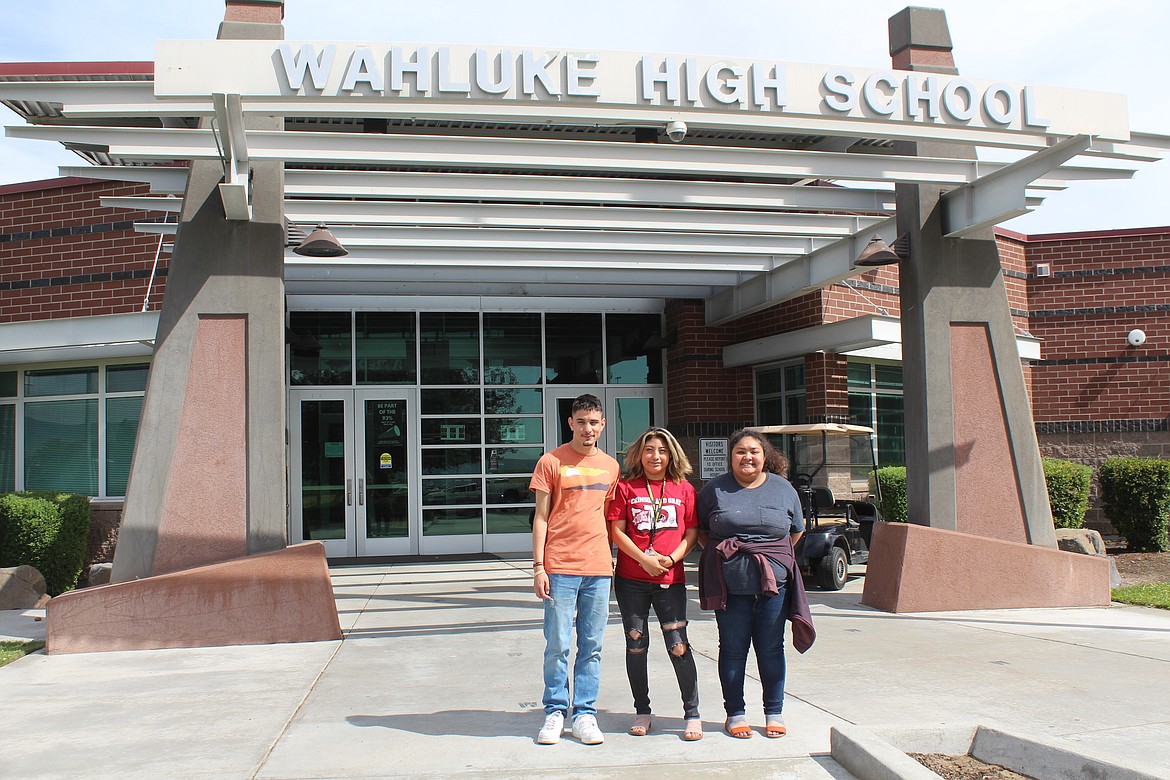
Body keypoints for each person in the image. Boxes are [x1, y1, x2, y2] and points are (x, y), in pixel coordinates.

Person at [696, 428, 815, 740]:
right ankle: (734, 713)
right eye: (740, 452)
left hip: (774, 587)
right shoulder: (714, 490)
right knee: (733, 650)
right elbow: (703, 532)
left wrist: (770, 558)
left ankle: (773, 711)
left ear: (765, 457)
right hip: (729, 587)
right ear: (731, 456)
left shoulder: (784, 489)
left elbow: (795, 532)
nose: (747, 457)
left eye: (753, 451)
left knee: (772, 649)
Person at [530, 393, 620, 745]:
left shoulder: (611, 466)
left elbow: (610, 518)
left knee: (592, 645)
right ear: (570, 423)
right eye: (581, 421)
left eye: (594, 422)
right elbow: (539, 517)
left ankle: (584, 714)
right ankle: (554, 712)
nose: (587, 428)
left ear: (603, 425)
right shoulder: (550, 462)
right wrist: (539, 566)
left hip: (598, 567)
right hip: (559, 565)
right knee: (558, 644)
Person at [607, 427, 703, 741]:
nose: (656, 456)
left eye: (662, 450)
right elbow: (617, 531)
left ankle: (692, 713)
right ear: (640, 453)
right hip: (631, 580)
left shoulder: (684, 489)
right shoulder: (626, 487)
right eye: (649, 450)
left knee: (678, 645)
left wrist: (672, 558)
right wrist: (644, 559)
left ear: (671, 454)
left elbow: (691, 533)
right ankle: (642, 711)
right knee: (636, 643)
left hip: (671, 580)